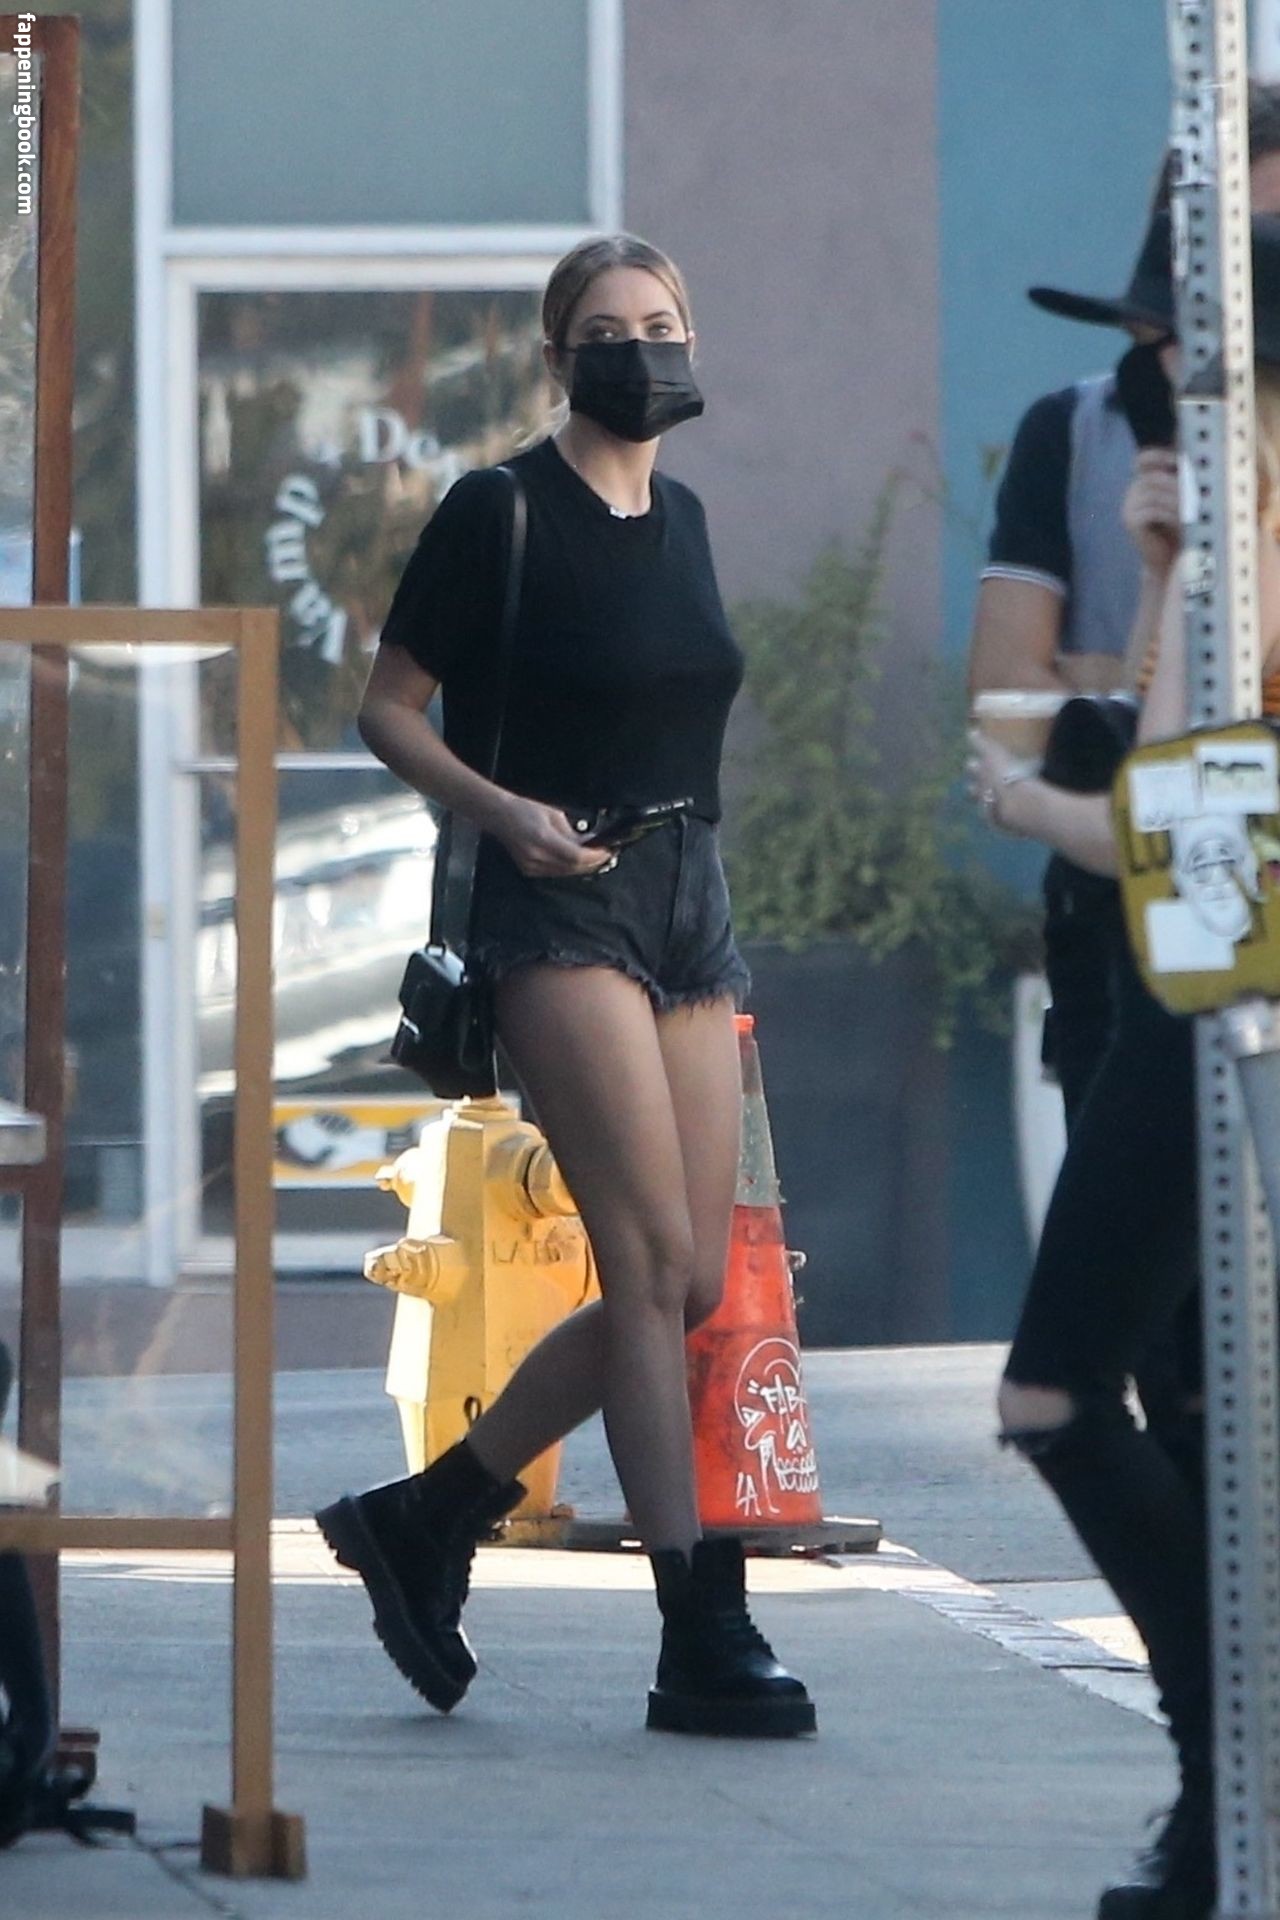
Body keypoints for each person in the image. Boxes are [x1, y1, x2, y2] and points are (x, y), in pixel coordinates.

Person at [315, 233, 815, 1740]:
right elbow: (388, 708)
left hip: (688, 900)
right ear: (557, 356)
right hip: (555, 899)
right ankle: (699, 1625)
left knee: (697, 1280)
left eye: (661, 323)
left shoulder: (688, 519)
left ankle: (427, 1515)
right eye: (606, 329)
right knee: (645, 1267)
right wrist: (505, 812)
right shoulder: (500, 510)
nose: (638, 351)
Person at [968, 213, 1280, 1920]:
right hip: (1186, 977)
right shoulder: (1211, 516)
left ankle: (1239, 1770)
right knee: (1159, 1403)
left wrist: (1030, 794)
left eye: (1186, 338)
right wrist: (1164, 578)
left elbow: (1179, 832)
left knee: (1081, 1395)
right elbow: (1178, 809)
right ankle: (1231, 1784)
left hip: (1220, 987)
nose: (1160, 368)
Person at [970, 83, 1280, 1132]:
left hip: (1216, 920)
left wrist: (1041, 773)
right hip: (1124, 926)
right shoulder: (1077, 434)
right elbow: (1009, 700)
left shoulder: (1254, 501)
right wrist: (1162, 587)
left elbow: (1164, 782)